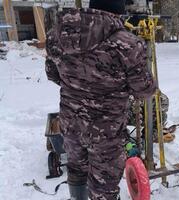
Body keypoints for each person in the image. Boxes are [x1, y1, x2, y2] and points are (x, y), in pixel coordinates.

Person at [45, 0, 156, 199]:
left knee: (76, 167)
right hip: (106, 131)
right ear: (119, 11)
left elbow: (52, 74)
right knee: (104, 185)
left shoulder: (56, 35)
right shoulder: (128, 44)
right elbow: (145, 90)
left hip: (71, 122)